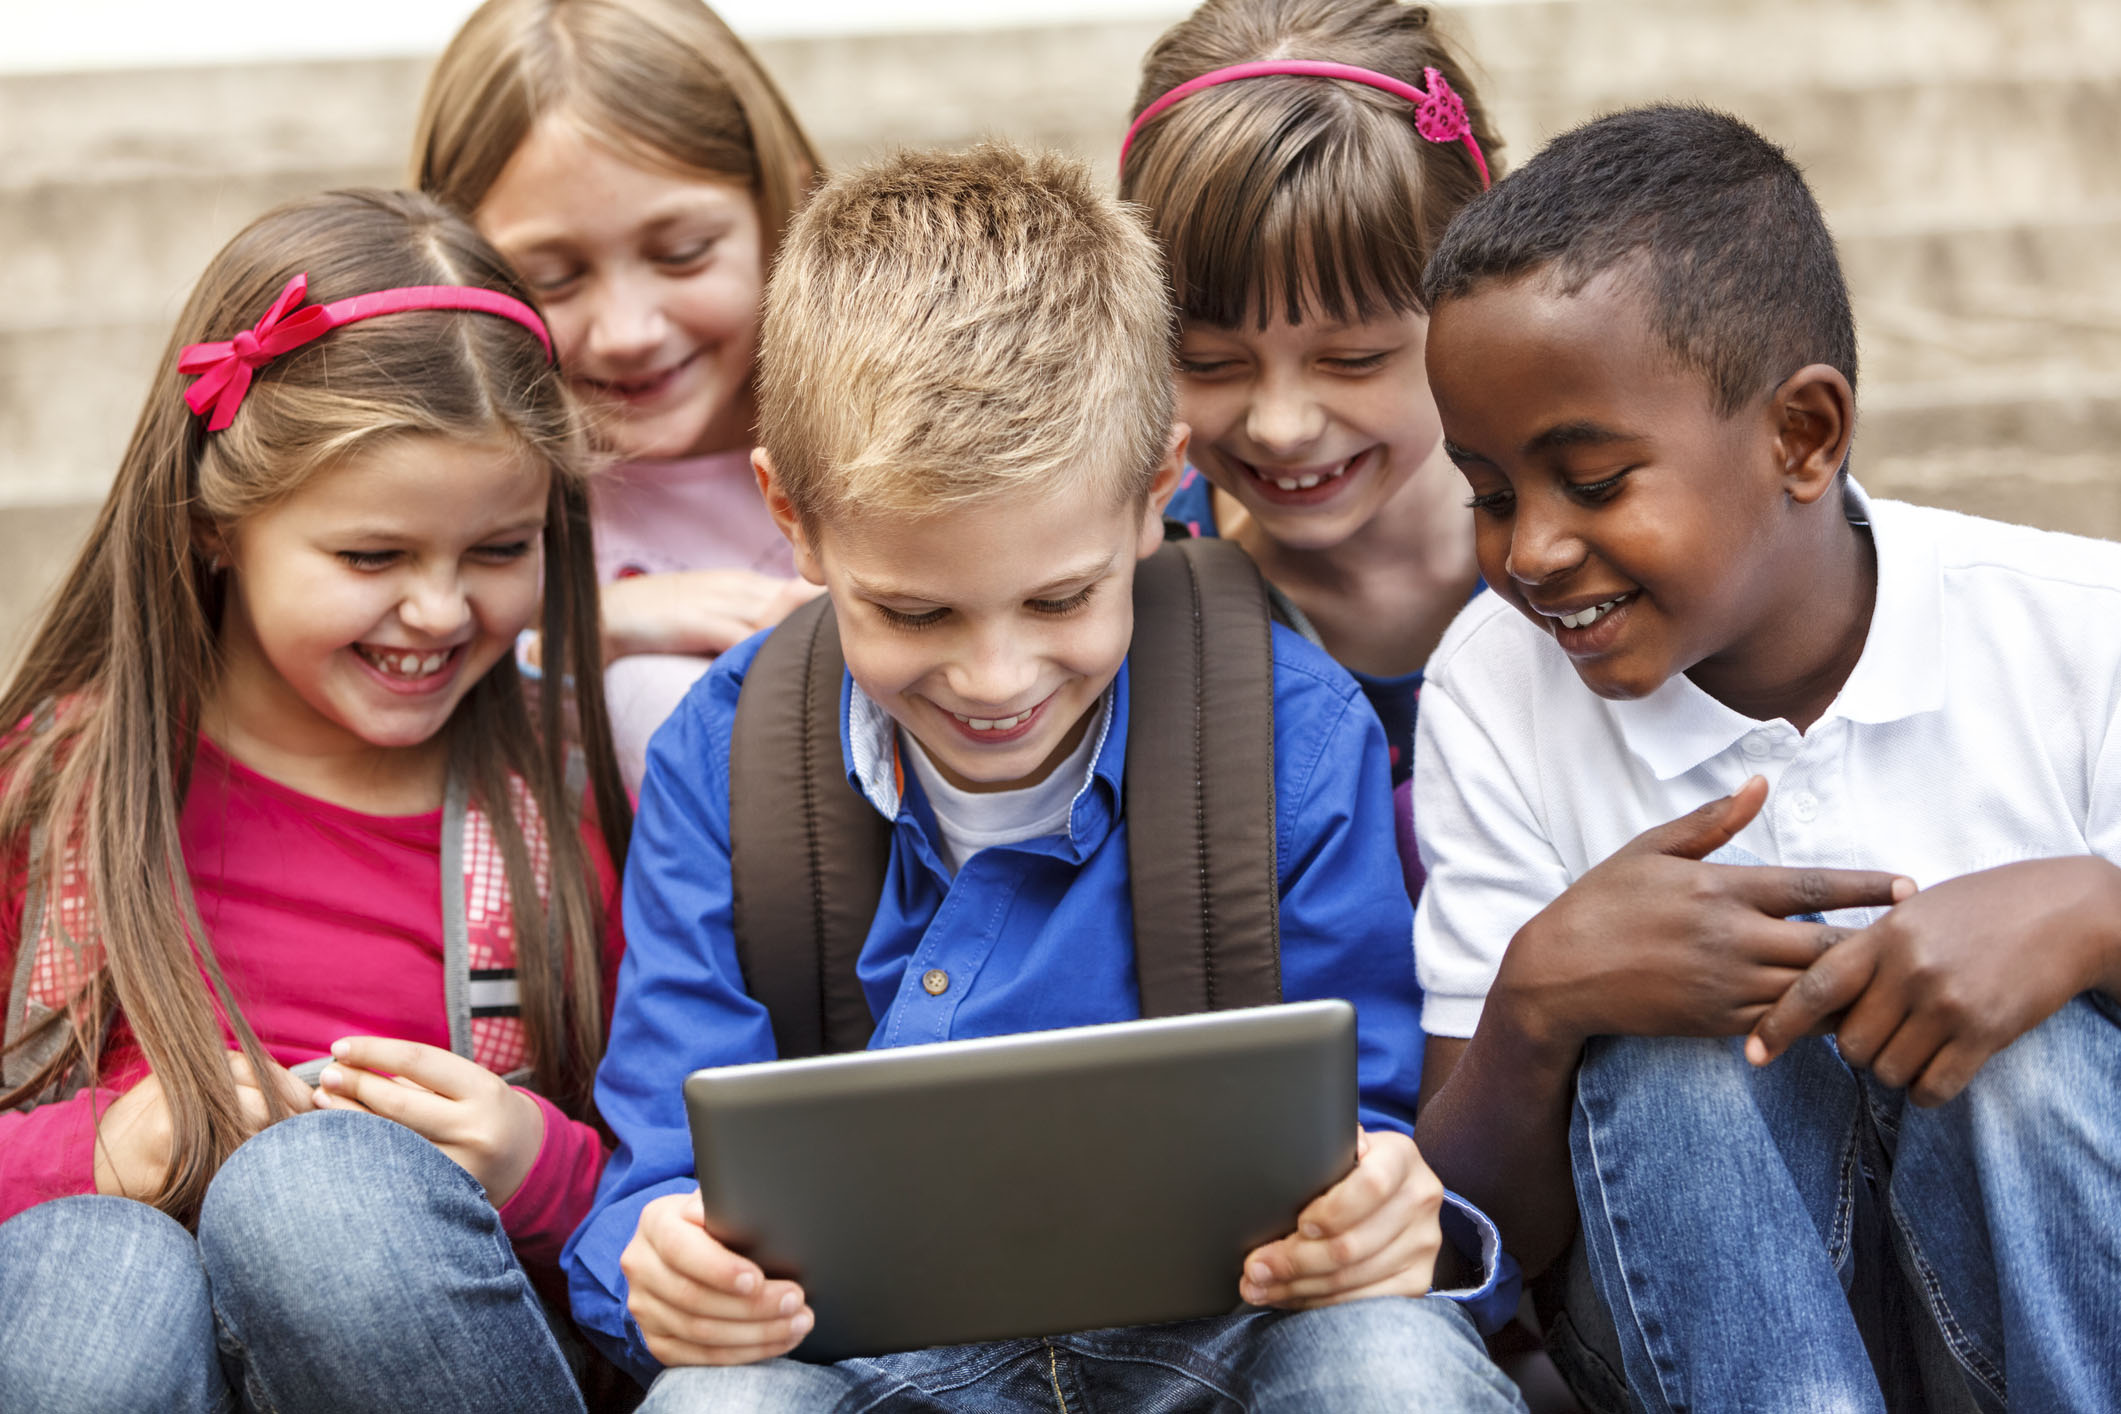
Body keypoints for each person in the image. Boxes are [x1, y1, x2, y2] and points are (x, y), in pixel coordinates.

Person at [563, 142, 1525, 1412]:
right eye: (913, 612)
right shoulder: (726, 758)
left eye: (1061, 598)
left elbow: (1375, 1117)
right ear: (790, 518)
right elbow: (662, 1160)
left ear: (1155, 492)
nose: (994, 677)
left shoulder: (1286, 731)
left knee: (1394, 1369)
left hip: (1225, 1342)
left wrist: (1389, 1209)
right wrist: (666, 1260)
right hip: (873, 1363)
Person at [1409, 105, 2121, 1413]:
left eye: (1595, 479)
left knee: (2024, 1046)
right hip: (1708, 1337)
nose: (1531, 551)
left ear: (1801, 435)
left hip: (2041, 1308)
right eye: (1491, 491)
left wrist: (2095, 912)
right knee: (1658, 1044)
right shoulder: (1492, 690)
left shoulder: (2073, 627)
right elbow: (1461, 1236)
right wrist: (1537, 1000)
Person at [0, 189, 631, 1414]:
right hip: (100, 1339)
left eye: (499, 550)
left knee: (316, 1196)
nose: (442, 611)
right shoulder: (50, 795)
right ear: (214, 527)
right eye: (373, 558)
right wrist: (93, 1154)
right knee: (100, 1265)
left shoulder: (560, 808)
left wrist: (532, 1161)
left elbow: (675, 1192)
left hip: (420, 1340)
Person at [416, 0, 823, 790]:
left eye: (682, 253)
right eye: (554, 278)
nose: (630, 330)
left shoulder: (891, 444)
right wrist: (582, 629)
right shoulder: (463, 509)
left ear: (785, 209)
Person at [1118, 0, 1500, 808]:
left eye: (1353, 359)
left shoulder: (1586, 557)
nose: (1281, 426)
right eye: (1209, 362)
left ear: (1477, 301)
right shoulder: (1124, 588)